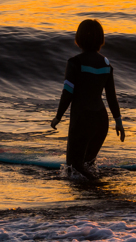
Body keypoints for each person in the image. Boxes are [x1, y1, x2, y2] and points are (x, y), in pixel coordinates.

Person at [50, 19, 124, 180]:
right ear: (100, 39)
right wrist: (118, 122)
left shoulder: (75, 62)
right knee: (88, 165)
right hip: (101, 120)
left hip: (82, 119)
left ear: (79, 38)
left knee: (73, 167)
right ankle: (95, 196)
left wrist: (58, 117)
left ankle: (98, 189)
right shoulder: (106, 64)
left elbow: (68, 93)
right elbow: (111, 96)